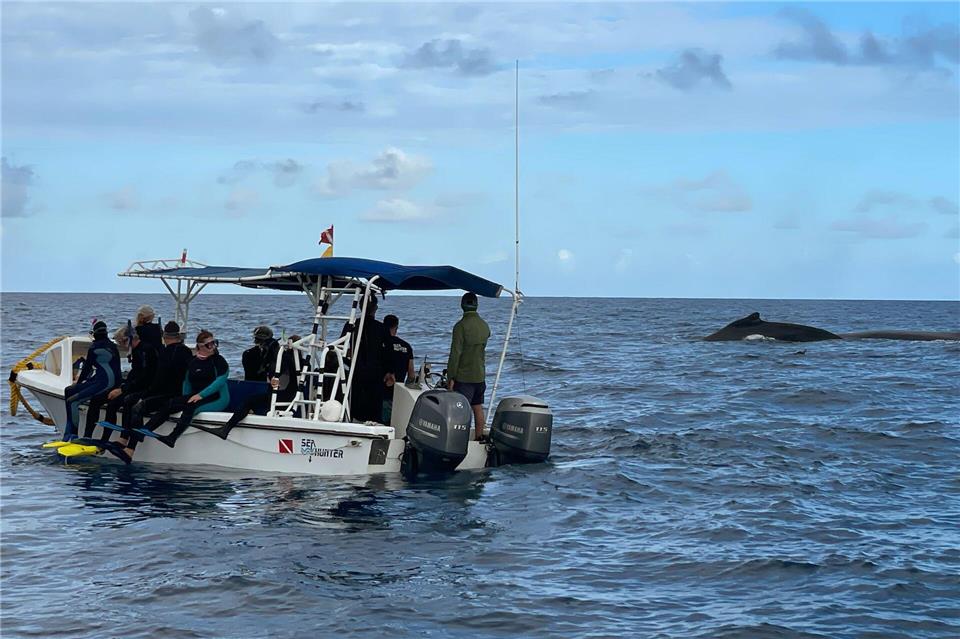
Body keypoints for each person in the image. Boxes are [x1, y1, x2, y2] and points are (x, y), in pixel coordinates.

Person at [113, 321, 193, 461]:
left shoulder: (165, 352)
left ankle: (130, 447)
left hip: (167, 394)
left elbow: (159, 378)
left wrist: (146, 394)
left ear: (165, 336)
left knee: (137, 407)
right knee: (136, 404)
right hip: (180, 393)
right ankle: (129, 439)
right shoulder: (186, 351)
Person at [138, 330, 230, 448]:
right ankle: (145, 430)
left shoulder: (219, 361)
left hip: (217, 397)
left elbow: (220, 381)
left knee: (191, 406)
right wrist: (184, 398)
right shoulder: (193, 361)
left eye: (214, 343)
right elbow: (187, 382)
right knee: (171, 403)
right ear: (200, 346)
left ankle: (173, 437)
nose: (213, 347)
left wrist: (200, 395)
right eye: (209, 344)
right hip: (197, 395)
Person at [198, 335, 300, 440]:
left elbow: (282, 379)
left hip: (283, 396)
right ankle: (229, 427)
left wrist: (274, 380)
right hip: (289, 395)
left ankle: (226, 428)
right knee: (252, 401)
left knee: (249, 400)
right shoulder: (297, 361)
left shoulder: (284, 360)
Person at [83, 324, 158, 440]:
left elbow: (144, 377)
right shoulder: (136, 351)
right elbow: (135, 373)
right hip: (132, 386)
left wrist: (122, 389)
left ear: (127, 340)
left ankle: (114, 438)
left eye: (122, 343)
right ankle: (88, 435)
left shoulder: (145, 351)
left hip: (143, 389)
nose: (122, 347)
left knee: (114, 404)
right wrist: (123, 385)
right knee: (96, 399)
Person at [61, 320, 122, 441]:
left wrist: (78, 384)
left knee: (72, 401)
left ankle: (72, 434)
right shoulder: (113, 347)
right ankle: (80, 434)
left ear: (94, 334)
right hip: (107, 382)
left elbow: (86, 370)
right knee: (68, 391)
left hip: (103, 384)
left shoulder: (94, 348)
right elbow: (115, 369)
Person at [446, 292, 491, 441]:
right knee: (477, 407)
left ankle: (458, 440)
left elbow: (455, 354)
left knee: (461, 410)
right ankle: (479, 438)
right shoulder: (485, 326)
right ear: (477, 305)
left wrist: (451, 377)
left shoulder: (460, 326)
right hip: (480, 375)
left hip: (464, 377)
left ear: (462, 305)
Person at [340, 294, 388, 423]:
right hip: (375, 373)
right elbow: (387, 353)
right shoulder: (381, 328)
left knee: (354, 405)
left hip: (356, 370)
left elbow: (340, 347)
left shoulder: (351, 325)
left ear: (360, 306)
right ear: (375, 308)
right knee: (374, 410)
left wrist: (348, 358)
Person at [381, 314, 415, 424]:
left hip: (382, 390)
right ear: (396, 327)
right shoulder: (407, 346)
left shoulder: (381, 344)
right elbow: (411, 375)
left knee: (382, 421)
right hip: (399, 391)